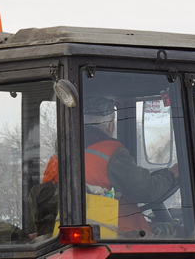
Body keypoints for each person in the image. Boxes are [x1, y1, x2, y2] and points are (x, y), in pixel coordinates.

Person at [31, 93, 179, 237]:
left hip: (61, 236)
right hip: (117, 235)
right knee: (176, 230)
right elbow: (146, 190)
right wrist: (171, 174)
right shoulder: (111, 155)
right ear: (110, 124)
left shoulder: (58, 158)